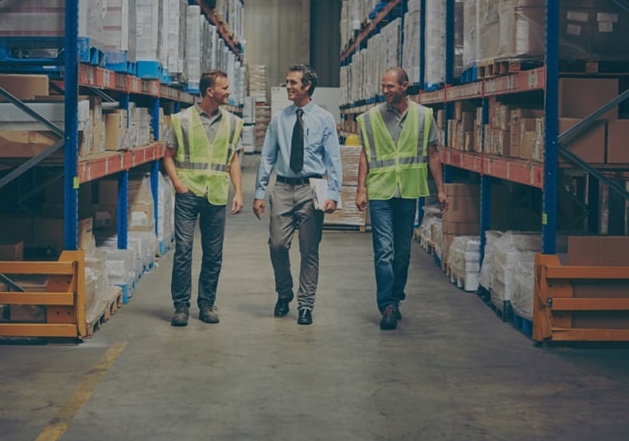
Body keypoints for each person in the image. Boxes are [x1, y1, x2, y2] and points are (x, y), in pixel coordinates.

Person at [355, 67, 447, 330]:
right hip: (380, 191)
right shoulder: (370, 118)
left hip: (408, 190)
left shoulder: (424, 116)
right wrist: (361, 189)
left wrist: (441, 190)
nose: (385, 91)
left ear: (405, 86)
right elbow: (365, 155)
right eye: (383, 86)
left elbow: (433, 155)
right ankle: (387, 305)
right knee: (383, 250)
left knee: (403, 252)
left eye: (390, 86)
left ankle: (395, 297)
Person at [253, 64, 342, 325]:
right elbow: (267, 157)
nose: (288, 87)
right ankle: (284, 293)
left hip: (311, 189)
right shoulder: (279, 118)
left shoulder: (324, 119)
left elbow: (333, 159)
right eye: (287, 82)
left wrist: (333, 193)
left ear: (307, 86)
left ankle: (305, 305)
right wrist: (259, 192)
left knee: (309, 250)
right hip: (282, 188)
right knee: (277, 245)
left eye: (293, 83)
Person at [163, 69, 244, 327]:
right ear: (210, 91)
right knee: (183, 250)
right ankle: (181, 306)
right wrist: (178, 184)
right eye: (224, 88)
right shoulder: (182, 120)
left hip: (216, 194)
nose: (228, 92)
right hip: (188, 193)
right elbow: (168, 156)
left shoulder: (233, 123)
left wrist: (238, 191)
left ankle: (207, 304)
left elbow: (233, 160)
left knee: (213, 253)